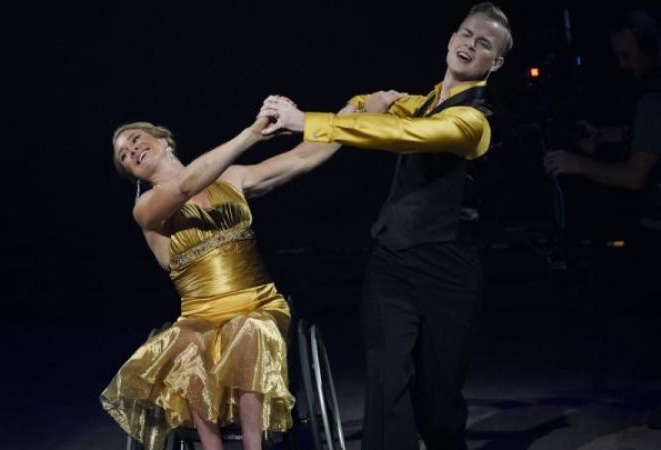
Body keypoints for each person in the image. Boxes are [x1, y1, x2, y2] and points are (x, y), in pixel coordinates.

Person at [259, 3, 513, 449]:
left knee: (438, 404)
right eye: (466, 33)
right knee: (385, 374)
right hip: (392, 262)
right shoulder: (421, 104)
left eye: (484, 43)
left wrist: (310, 123)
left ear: (496, 63)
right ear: (452, 37)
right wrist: (361, 107)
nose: (470, 44)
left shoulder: (473, 120)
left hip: (447, 272)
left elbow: (404, 136)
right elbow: (368, 107)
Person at [99, 109, 351, 450]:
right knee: (187, 343)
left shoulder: (231, 179)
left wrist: (352, 115)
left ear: (163, 139)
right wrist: (252, 133)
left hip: (258, 302)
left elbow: (302, 159)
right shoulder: (146, 208)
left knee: (250, 327)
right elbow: (186, 184)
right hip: (200, 314)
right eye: (123, 157)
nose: (130, 153)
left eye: (134, 141)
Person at [544, 10, 661, 430]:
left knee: (631, 317)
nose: (622, 64)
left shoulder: (652, 98)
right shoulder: (651, 97)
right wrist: (608, 137)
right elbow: (647, 140)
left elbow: (634, 176)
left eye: (627, 54)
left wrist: (577, 163)